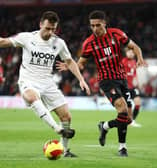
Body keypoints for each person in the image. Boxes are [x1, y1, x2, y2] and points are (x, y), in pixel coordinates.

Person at [0, 11, 90, 157]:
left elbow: (69, 61)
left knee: (66, 117)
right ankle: (56, 128)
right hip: (28, 80)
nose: (50, 32)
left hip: (47, 83)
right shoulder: (27, 38)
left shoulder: (58, 43)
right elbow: (4, 41)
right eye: (47, 28)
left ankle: (65, 150)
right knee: (31, 97)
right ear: (40, 24)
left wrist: (81, 79)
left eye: (53, 29)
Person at [57, 10, 147, 157]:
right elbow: (81, 63)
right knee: (122, 109)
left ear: (104, 23)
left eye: (98, 25)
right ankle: (122, 148)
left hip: (121, 78)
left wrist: (140, 58)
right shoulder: (89, 43)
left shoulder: (116, 34)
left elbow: (135, 47)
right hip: (106, 80)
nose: (95, 29)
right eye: (92, 26)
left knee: (128, 118)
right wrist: (69, 66)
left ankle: (104, 126)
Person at [122, 48, 142, 127]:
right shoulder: (123, 61)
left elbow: (134, 73)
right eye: (129, 52)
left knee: (138, 104)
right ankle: (127, 121)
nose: (130, 54)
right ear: (126, 53)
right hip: (125, 87)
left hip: (132, 87)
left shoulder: (134, 62)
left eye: (132, 52)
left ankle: (132, 121)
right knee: (126, 107)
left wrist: (137, 81)